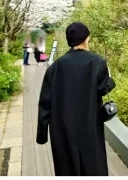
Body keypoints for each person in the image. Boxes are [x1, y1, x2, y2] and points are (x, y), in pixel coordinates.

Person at [37, 22, 115, 176]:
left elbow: (45, 102)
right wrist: (110, 80)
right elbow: (102, 89)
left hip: (62, 127)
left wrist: (41, 134)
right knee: (93, 165)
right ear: (86, 38)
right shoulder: (97, 62)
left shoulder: (55, 67)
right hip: (90, 123)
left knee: (66, 167)